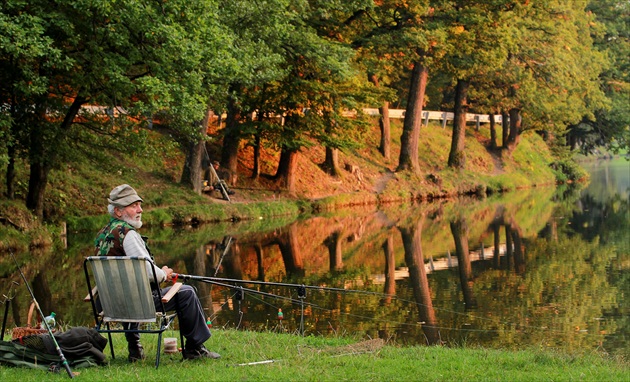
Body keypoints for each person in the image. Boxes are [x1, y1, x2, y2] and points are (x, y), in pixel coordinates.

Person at [94, 184, 220, 362]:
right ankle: (194, 349)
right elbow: (149, 272)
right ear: (118, 211)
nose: (140, 209)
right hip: (136, 305)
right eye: (133, 206)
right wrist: (164, 273)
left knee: (131, 288)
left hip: (108, 304)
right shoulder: (128, 234)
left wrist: (159, 273)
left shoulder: (103, 234)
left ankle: (135, 349)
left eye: (139, 204)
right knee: (187, 293)